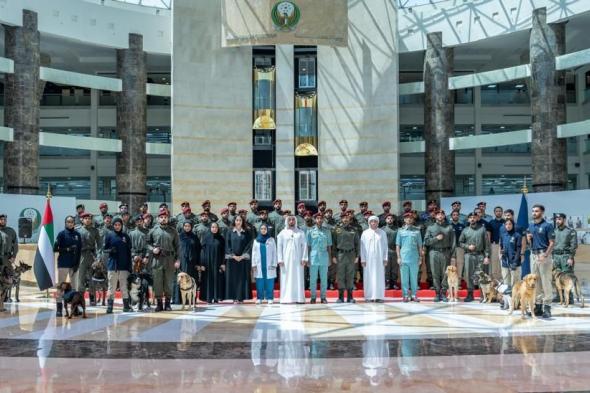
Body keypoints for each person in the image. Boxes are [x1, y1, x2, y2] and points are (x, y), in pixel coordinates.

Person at [147, 208, 180, 312]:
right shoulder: (153, 231)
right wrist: (153, 249)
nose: (163, 219)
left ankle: (168, 304)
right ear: (158, 219)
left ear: (168, 218)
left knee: (169, 282)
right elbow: (147, 243)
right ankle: (159, 304)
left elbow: (178, 247)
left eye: (165, 217)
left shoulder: (173, 231)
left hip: (169, 259)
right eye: (161, 217)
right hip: (157, 260)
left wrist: (178, 260)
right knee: (157, 282)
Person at [527, 204, 555, 318]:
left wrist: (546, 255)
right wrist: (529, 240)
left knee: (546, 281)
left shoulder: (547, 226)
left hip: (544, 255)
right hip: (533, 255)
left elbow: (552, 242)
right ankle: (537, 306)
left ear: (542, 212)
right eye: (533, 211)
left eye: (536, 211)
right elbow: (530, 242)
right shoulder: (530, 225)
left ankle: (547, 307)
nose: (534, 213)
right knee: (535, 282)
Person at [424, 209, 455, 302]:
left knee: (445, 274)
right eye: (438, 214)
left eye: (442, 214)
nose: (440, 216)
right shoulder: (430, 227)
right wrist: (436, 239)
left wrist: (453, 256)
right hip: (434, 253)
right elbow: (426, 241)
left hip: (445, 252)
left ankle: (444, 293)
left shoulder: (449, 227)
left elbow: (453, 243)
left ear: (444, 216)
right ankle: (437, 293)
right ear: (435, 216)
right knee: (435, 274)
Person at [459, 212, 491, 302]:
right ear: (468, 219)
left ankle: (482, 295)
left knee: (481, 275)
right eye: (471, 217)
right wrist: (467, 247)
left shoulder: (482, 229)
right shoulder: (465, 230)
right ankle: (470, 294)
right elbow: (460, 242)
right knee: (469, 275)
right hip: (469, 255)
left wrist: (487, 256)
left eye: (474, 217)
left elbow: (487, 244)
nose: (472, 219)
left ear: (477, 218)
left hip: (480, 255)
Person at [53, 216, 82, 317]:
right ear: (65, 223)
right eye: (68, 222)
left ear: (74, 223)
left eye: (72, 222)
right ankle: (59, 309)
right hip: (63, 264)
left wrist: (77, 264)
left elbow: (79, 252)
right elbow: (55, 248)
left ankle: (75, 309)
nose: (70, 223)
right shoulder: (61, 234)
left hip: (73, 265)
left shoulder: (77, 235)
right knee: (61, 287)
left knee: (74, 288)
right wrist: (67, 249)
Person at [103, 217, 133, 313]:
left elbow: (129, 252)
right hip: (113, 266)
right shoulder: (109, 236)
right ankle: (110, 307)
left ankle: (126, 306)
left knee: (124, 287)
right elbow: (104, 249)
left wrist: (129, 266)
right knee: (111, 287)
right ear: (113, 225)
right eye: (115, 225)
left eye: (119, 225)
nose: (117, 226)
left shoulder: (126, 237)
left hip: (123, 266)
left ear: (121, 225)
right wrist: (110, 250)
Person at [277, 215, 308, 304]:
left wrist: (304, 258)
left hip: (298, 261)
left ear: (295, 221)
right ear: (287, 221)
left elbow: (304, 246)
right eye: (289, 220)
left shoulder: (300, 233)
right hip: (285, 261)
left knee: (298, 278)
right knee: (286, 278)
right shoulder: (282, 233)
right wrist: (280, 259)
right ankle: (286, 298)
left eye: (293, 220)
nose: (291, 221)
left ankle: (299, 298)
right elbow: (279, 247)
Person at [332, 212, 359, 303]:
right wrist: (334, 255)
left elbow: (357, 244)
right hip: (340, 255)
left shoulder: (354, 230)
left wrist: (357, 256)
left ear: (349, 218)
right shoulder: (337, 230)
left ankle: (350, 297)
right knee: (340, 276)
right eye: (343, 218)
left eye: (347, 217)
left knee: (350, 275)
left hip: (351, 255)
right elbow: (334, 244)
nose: (345, 219)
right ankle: (340, 297)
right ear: (341, 219)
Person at [396, 212, 423, 302]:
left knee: (414, 278)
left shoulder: (417, 231)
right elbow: (397, 245)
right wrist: (398, 257)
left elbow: (420, 245)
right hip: (404, 257)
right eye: (407, 218)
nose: (409, 219)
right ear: (404, 220)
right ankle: (405, 295)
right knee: (404, 278)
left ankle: (414, 295)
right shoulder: (400, 231)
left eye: (411, 218)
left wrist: (420, 258)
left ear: (413, 219)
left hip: (414, 258)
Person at [225, 215, 253, 303]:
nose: (238, 222)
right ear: (234, 221)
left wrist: (242, 256)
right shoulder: (229, 232)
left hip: (243, 260)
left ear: (242, 221)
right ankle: (234, 297)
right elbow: (227, 244)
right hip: (232, 260)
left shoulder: (247, 232)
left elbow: (249, 244)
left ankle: (242, 297)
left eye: (240, 220)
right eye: (237, 220)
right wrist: (233, 255)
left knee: (242, 279)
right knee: (233, 279)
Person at [360, 216, 388, 303]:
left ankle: (379, 296)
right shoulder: (365, 233)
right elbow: (362, 247)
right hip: (368, 260)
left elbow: (385, 247)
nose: (373, 223)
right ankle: (369, 297)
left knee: (379, 277)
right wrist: (363, 259)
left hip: (379, 260)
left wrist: (385, 258)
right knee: (369, 277)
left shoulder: (382, 233)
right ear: (369, 223)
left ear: (378, 223)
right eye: (371, 221)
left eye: (375, 221)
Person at [306, 213, 332, 304]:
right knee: (313, 278)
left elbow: (329, 246)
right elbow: (308, 246)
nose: (319, 220)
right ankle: (313, 297)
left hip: (324, 256)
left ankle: (323, 297)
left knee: (324, 278)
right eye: (317, 218)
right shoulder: (310, 231)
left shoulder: (327, 231)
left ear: (323, 220)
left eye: (321, 218)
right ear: (314, 220)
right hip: (313, 257)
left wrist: (330, 258)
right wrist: (307, 258)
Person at [77, 212, 101, 303]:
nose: (87, 220)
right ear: (82, 220)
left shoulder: (95, 231)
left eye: (89, 218)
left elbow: (99, 245)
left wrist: (98, 258)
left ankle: (92, 297)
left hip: (92, 256)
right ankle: (80, 297)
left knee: (92, 278)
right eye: (85, 218)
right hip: (82, 255)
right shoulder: (78, 230)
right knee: (81, 277)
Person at [199, 222, 226, 303]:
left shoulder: (221, 238)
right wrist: (202, 264)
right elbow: (202, 251)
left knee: (217, 279)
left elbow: (224, 252)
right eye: (212, 227)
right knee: (208, 280)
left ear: (218, 228)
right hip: (207, 263)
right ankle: (208, 297)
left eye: (216, 227)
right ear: (210, 228)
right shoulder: (206, 238)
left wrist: (223, 263)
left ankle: (217, 297)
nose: (214, 229)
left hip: (218, 263)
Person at [252, 223, 278, 305]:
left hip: (269, 264)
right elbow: (253, 253)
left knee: (269, 281)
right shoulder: (255, 241)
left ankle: (269, 297)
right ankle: (259, 298)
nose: (263, 230)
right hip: (259, 264)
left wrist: (274, 263)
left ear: (267, 230)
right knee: (259, 281)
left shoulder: (271, 240)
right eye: (262, 229)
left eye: (265, 229)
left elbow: (274, 252)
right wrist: (254, 264)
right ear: (259, 230)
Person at [177, 221, 201, 308]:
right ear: (183, 227)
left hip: (192, 262)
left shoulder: (195, 237)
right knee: (182, 280)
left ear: (191, 227)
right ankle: (182, 300)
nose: (187, 227)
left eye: (189, 226)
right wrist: (177, 260)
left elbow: (198, 250)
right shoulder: (179, 237)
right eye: (185, 226)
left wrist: (198, 263)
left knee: (192, 280)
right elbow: (176, 249)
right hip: (182, 262)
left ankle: (192, 301)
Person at [499, 219, 522, 289]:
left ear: (513, 225)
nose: (508, 226)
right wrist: (502, 252)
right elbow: (501, 246)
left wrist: (515, 262)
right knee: (506, 283)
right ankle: (507, 299)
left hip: (514, 262)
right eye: (506, 224)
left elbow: (518, 250)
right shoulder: (503, 235)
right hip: (505, 261)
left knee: (516, 283)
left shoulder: (517, 235)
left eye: (510, 224)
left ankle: (516, 299)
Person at [488, 206, 505, 281]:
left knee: (502, 263)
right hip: (494, 245)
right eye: (497, 211)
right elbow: (488, 235)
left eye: (500, 211)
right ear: (494, 213)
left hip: (504, 246)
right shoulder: (491, 223)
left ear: (502, 212)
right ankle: (494, 281)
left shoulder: (506, 222)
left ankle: (502, 280)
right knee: (494, 263)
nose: (498, 212)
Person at [382, 213, 399, 290]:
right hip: (386, 250)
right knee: (387, 267)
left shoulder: (398, 229)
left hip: (395, 250)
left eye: (391, 218)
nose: (390, 220)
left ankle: (394, 282)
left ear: (393, 219)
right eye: (388, 218)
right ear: (385, 220)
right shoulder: (382, 229)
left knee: (395, 267)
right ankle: (387, 283)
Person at [450, 210, 466, 286]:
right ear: (451, 216)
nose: (455, 216)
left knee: (460, 265)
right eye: (454, 215)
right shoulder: (448, 226)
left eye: (457, 215)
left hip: (460, 248)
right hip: (451, 248)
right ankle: (452, 283)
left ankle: (458, 283)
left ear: (458, 216)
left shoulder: (462, 226)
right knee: (452, 266)